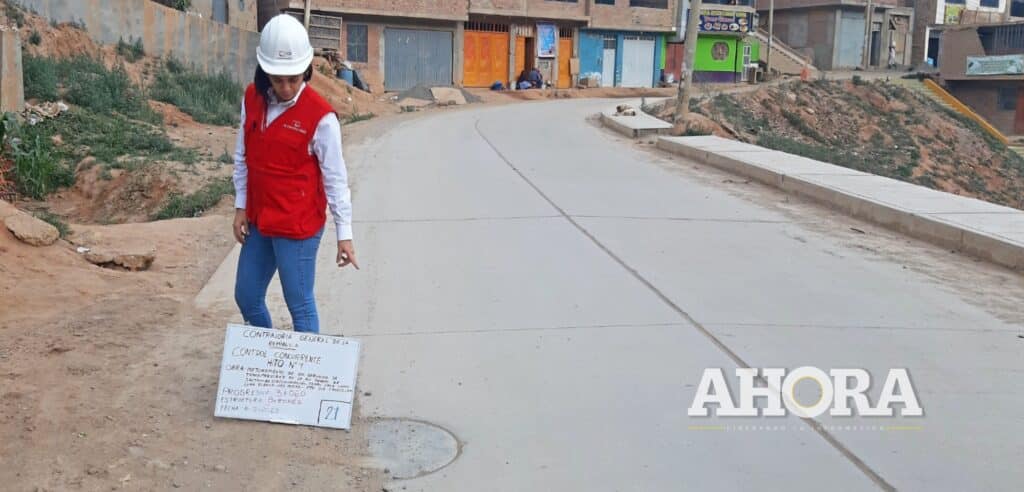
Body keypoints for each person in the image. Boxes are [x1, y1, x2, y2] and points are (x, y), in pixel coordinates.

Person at [232, 14, 357, 334]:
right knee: (246, 296)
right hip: (261, 219)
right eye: (277, 79)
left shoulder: (321, 118)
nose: (286, 87)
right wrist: (241, 206)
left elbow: (335, 178)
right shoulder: (252, 99)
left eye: (294, 78)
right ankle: (265, 357)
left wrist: (345, 234)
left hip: (298, 227)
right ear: (265, 74)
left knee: (299, 304)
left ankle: (304, 380)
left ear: (306, 71)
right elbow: (242, 155)